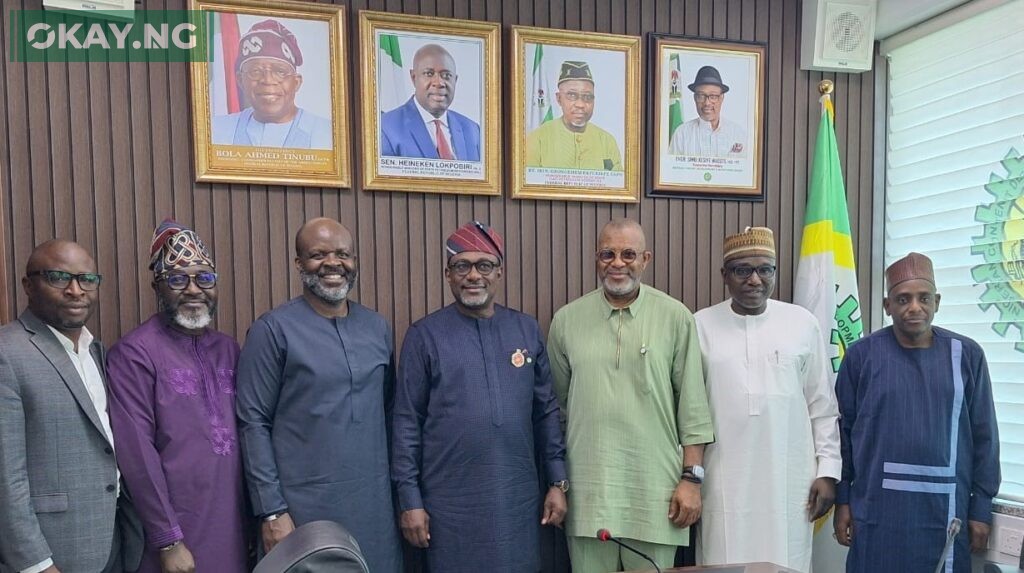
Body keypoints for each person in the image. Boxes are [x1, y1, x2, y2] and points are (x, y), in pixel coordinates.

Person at [391, 221, 568, 573]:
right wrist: (409, 500)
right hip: (449, 507)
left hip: (516, 500)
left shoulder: (525, 329)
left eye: (484, 265)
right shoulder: (424, 336)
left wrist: (557, 481)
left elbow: (546, 413)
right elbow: (406, 423)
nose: (473, 275)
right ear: (448, 274)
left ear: (499, 272)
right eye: (462, 265)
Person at [236, 217, 402, 573]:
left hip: (374, 508)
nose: (333, 263)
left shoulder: (377, 328)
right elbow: (253, 422)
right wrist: (272, 510)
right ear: (299, 264)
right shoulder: (273, 330)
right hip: (302, 510)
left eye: (343, 254)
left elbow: (388, 411)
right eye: (318, 254)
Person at [547, 218, 713, 572]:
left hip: (656, 495)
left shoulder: (675, 317)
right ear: (596, 259)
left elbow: (693, 409)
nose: (617, 263)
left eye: (628, 254)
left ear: (646, 259)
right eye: (608, 254)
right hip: (589, 494)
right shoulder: (566, 321)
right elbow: (556, 412)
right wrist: (557, 482)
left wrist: (692, 481)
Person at [834, 252, 1000, 573]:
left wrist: (981, 509)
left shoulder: (966, 355)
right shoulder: (861, 356)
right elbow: (842, 435)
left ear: (936, 301)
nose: (914, 307)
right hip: (877, 510)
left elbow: (985, 438)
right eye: (903, 299)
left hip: (946, 511)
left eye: (924, 298)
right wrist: (843, 500)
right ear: (887, 306)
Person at [693, 227, 840, 572]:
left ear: (775, 271)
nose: (755, 280)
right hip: (722, 483)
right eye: (743, 270)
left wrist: (828, 471)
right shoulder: (699, 325)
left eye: (765, 269)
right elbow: (689, 413)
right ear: (725, 275)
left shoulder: (802, 323)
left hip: (789, 483)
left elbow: (822, 406)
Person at [106, 220, 248, 573]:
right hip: (175, 531)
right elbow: (136, 452)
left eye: (204, 278)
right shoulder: (134, 353)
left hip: (232, 521)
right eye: (177, 279)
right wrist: (167, 538)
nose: (193, 289)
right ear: (158, 287)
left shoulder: (229, 349)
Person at [0, 240, 143, 573]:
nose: (75, 290)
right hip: (51, 554)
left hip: (112, 542)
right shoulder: (7, 353)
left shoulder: (98, 352)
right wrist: (36, 563)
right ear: (28, 285)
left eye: (86, 279)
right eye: (58, 277)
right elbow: (6, 477)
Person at [211, 19, 332, 149]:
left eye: (280, 72)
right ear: (240, 80)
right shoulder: (216, 131)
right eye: (255, 71)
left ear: (296, 82)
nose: (268, 80)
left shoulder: (327, 134)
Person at [380, 44, 481, 160]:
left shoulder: (473, 131)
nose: (439, 82)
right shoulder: (386, 127)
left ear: (455, 80)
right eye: (429, 74)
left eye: (446, 75)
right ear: (414, 77)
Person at [525, 61, 623, 171]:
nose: (580, 104)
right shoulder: (538, 139)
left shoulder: (607, 141)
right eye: (572, 95)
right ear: (559, 98)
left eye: (587, 97)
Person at [669, 65, 747, 157]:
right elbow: (673, 170)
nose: (707, 103)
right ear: (695, 98)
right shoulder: (681, 134)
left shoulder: (737, 133)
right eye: (701, 96)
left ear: (721, 98)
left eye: (713, 96)